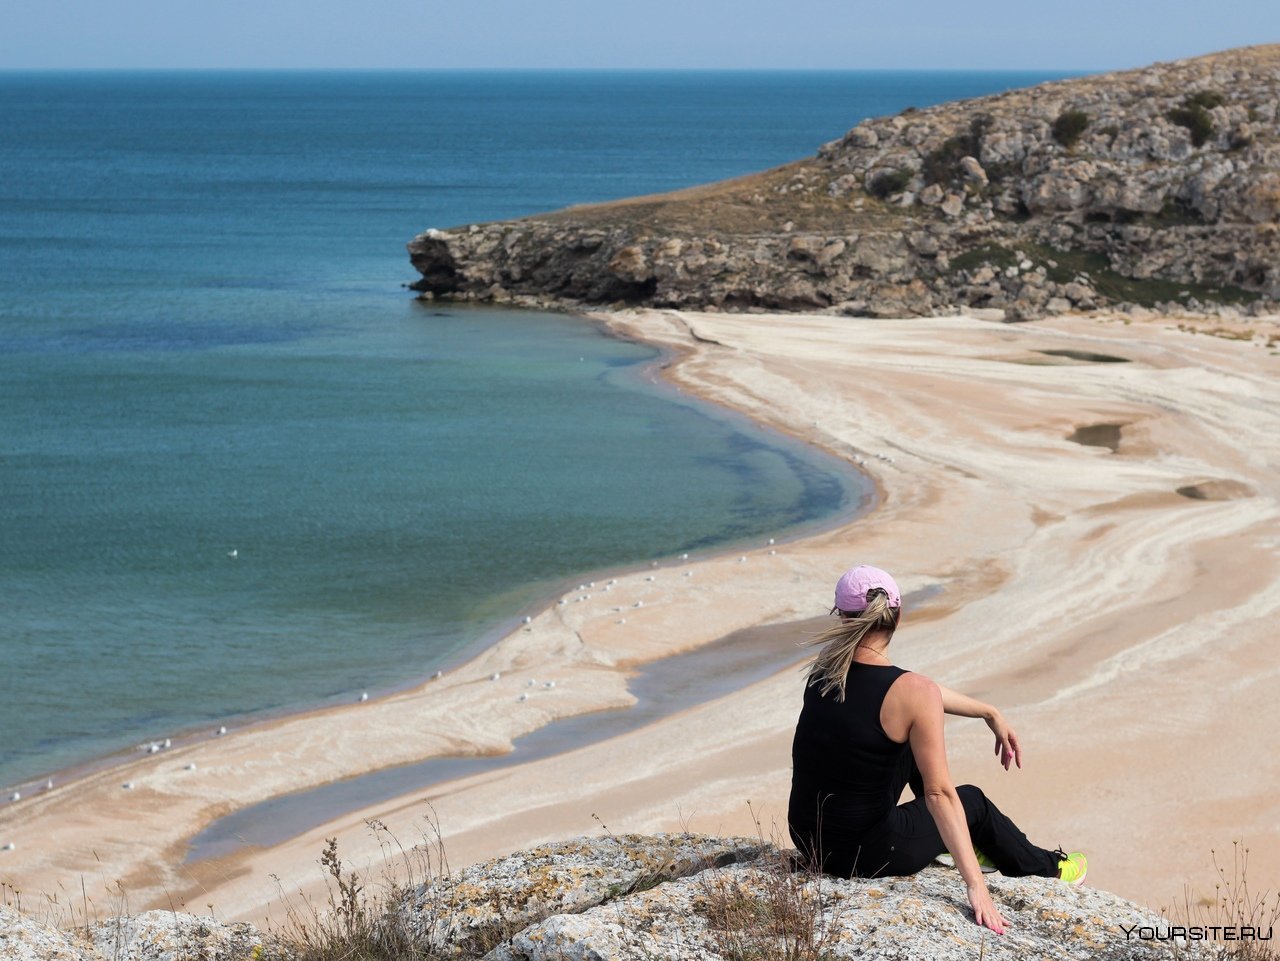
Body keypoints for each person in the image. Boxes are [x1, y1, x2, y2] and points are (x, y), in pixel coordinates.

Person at [787, 564, 1087, 935]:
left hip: (807, 839)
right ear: (898, 616)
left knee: (908, 748)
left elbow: (919, 695)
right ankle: (1051, 869)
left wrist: (987, 711)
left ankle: (942, 842)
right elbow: (939, 793)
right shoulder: (911, 691)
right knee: (971, 801)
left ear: (840, 617)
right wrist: (976, 886)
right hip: (862, 855)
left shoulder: (823, 669)